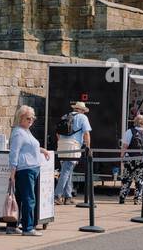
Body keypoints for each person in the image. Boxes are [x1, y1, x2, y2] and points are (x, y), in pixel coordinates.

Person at [7, 104, 44, 236]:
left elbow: (29, 146)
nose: (31, 121)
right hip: (25, 169)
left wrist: (42, 150)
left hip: (30, 169)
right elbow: (14, 153)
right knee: (29, 199)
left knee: (20, 198)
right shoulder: (18, 132)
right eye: (29, 118)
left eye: (33, 118)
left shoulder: (26, 131)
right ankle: (28, 227)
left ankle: (12, 226)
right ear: (21, 118)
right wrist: (12, 172)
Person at [53, 101, 91, 205]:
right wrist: (88, 147)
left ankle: (68, 196)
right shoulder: (83, 118)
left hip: (61, 145)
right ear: (82, 110)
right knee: (66, 171)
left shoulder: (65, 116)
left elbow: (57, 132)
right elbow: (86, 133)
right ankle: (57, 196)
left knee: (67, 171)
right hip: (73, 145)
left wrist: (61, 142)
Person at [118, 113, 143, 204]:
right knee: (139, 179)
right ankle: (137, 199)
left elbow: (125, 146)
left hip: (129, 158)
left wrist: (122, 156)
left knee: (126, 178)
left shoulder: (129, 131)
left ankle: (122, 197)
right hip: (141, 159)